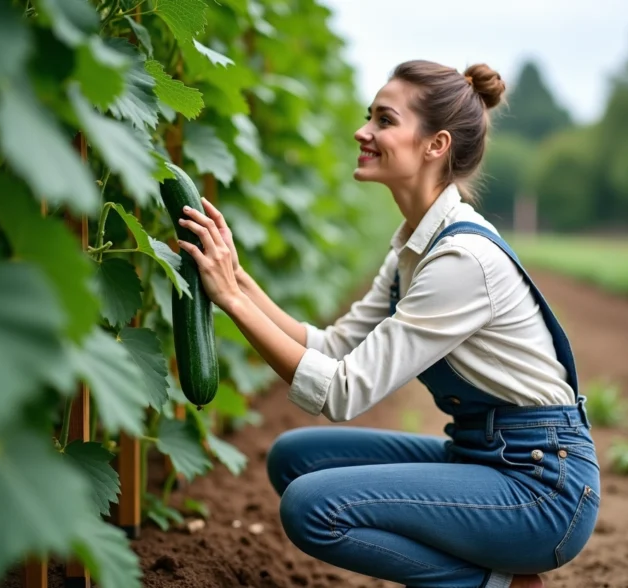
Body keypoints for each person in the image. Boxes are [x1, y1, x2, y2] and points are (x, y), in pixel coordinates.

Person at [176, 59, 600, 588]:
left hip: (541, 490)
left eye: (383, 120)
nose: (363, 131)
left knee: (312, 506)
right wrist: (237, 281)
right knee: (295, 458)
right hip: (482, 457)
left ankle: (501, 584)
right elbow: (333, 346)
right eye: (368, 117)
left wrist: (232, 305)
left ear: (435, 145)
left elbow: (343, 393)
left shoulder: (461, 261)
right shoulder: (413, 244)